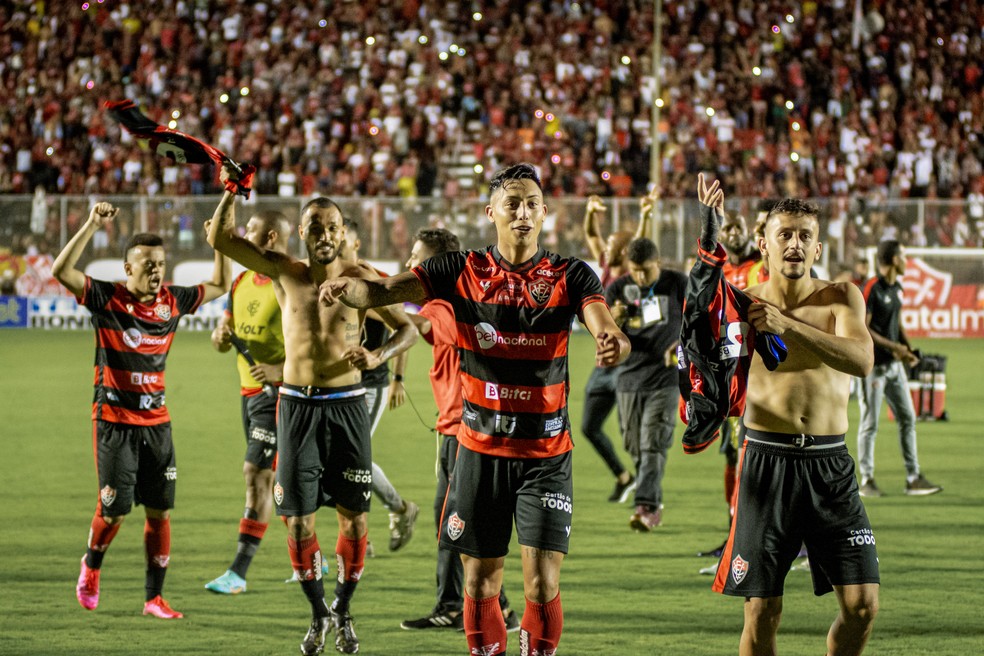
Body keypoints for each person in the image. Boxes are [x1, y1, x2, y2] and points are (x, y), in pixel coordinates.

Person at [319, 163, 630, 656]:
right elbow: (383, 291)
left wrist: (612, 340)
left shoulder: (571, 274)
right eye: (513, 203)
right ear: (492, 213)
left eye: (532, 203)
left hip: (545, 454)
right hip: (479, 450)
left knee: (541, 584)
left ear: (545, 212)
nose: (523, 212)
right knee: (481, 581)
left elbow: (603, 323)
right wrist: (346, 289)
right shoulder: (459, 269)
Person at [207, 165, 417, 655]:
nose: (324, 235)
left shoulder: (364, 278)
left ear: (344, 233)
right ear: (302, 233)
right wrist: (232, 191)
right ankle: (318, 613)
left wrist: (379, 356)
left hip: (347, 408)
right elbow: (220, 237)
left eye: (332, 227)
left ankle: (343, 611)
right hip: (296, 407)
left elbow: (408, 329)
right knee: (298, 523)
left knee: (355, 521)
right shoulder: (284, 271)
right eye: (315, 227)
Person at [703, 177, 880, 656]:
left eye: (804, 235)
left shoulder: (842, 297)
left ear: (818, 245)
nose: (795, 243)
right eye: (785, 234)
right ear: (764, 243)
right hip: (766, 461)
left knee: (863, 605)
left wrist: (787, 326)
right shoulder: (741, 303)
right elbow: (705, 361)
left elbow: (862, 361)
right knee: (762, 614)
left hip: (830, 466)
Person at [53, 201, 230, 619]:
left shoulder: (172, 301)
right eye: (147, 264)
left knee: (160, 511)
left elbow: (221, 283)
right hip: (114, 422)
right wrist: (92, 225)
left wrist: (219, 242)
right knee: (113, 511)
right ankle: (92, 565)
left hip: (158, 424)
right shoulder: (106, 297)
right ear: (127, 268)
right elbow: (61, 271)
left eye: (161, 264)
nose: (156, 271)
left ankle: (153, 598)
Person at [398, 228, 519, 633]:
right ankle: (498, 605)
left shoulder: (445, 306)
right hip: (461, 428)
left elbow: (417, 327)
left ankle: (453, 606)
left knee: (453, 521)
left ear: (434, 266)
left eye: (416, 258)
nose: (408, 266)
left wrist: (371, 301)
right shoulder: (457, 301)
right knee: (461, 521)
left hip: (463, 432)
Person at [205, 209, 291, 595]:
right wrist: (221, 336)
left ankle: (238, 573)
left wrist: (281, 369)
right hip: (249, 394)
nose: (242, 234)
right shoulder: (241, 280)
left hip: (279, 397)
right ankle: (315, 560)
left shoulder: (289, 283)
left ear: (270, 238)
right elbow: (223, 337)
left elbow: (321, 347)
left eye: (250, 229)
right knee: (281, 483)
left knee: (256, 476)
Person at [338, 218, 419, 551]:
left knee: (353, 459)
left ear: (355, 245)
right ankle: (364, 527)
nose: (332, 243)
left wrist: (398, 377)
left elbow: (403, 325)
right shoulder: (329, 279)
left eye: (341, 239)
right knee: (343, 459)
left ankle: (396, 510)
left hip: (370, 383)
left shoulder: (370, 281)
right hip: (342, 384)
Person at [580, 191, 656, 502]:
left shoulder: (631, 277)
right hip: (603, 365)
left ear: (624, 251)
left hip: (628, 364)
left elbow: (639, 239)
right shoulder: (607, 268)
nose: (604, 247)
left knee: (632, 434)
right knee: (588, 426)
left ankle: (647, 492)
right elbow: (591, 234)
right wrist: (590, 211)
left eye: (612, 245)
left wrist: (646, 217)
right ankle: (624, 476)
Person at [606, 237, 686, 531]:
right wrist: (614, 321)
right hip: (628, 380)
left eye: (647, 270)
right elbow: (604, 336)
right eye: (636, 270)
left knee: (653, 443)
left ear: (659, 264)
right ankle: (653, 500)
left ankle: (646, 508)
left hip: (665, 380)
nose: (641, 276)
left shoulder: (677, 284)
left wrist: (680, 345)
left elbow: (699, 320)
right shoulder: (617, 290)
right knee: (636, 447)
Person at [856, 240, 942, 497]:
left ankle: (913, 478)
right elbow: (864, 328)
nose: (907, 261)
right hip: (873, 367)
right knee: (870, 423)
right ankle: (867, 480)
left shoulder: (898, 288)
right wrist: (895, 347)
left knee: (908, 417)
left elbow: (897, 322)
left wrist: (908, 349)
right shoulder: (871, 288)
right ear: (894, 259)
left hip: (894, 367)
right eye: (904, 256)